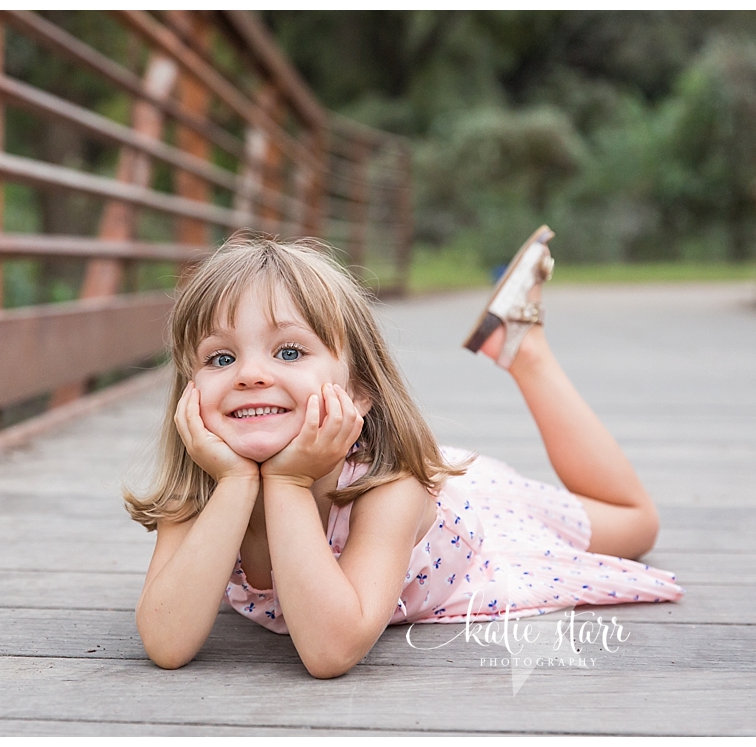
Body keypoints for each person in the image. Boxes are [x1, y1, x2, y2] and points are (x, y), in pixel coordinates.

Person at [127, 231, 681, 679]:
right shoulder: (203, 484)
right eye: (220, 358)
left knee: (637, 524)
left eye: (290, 351)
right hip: (307, 481)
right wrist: (237, 485)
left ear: (361, 390)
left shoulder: (391, 488)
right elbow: (167, 644)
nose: (249, 374)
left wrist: (290, 484)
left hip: (475, 516)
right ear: (188, 390)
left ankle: (525, 350)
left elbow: (329, 651)